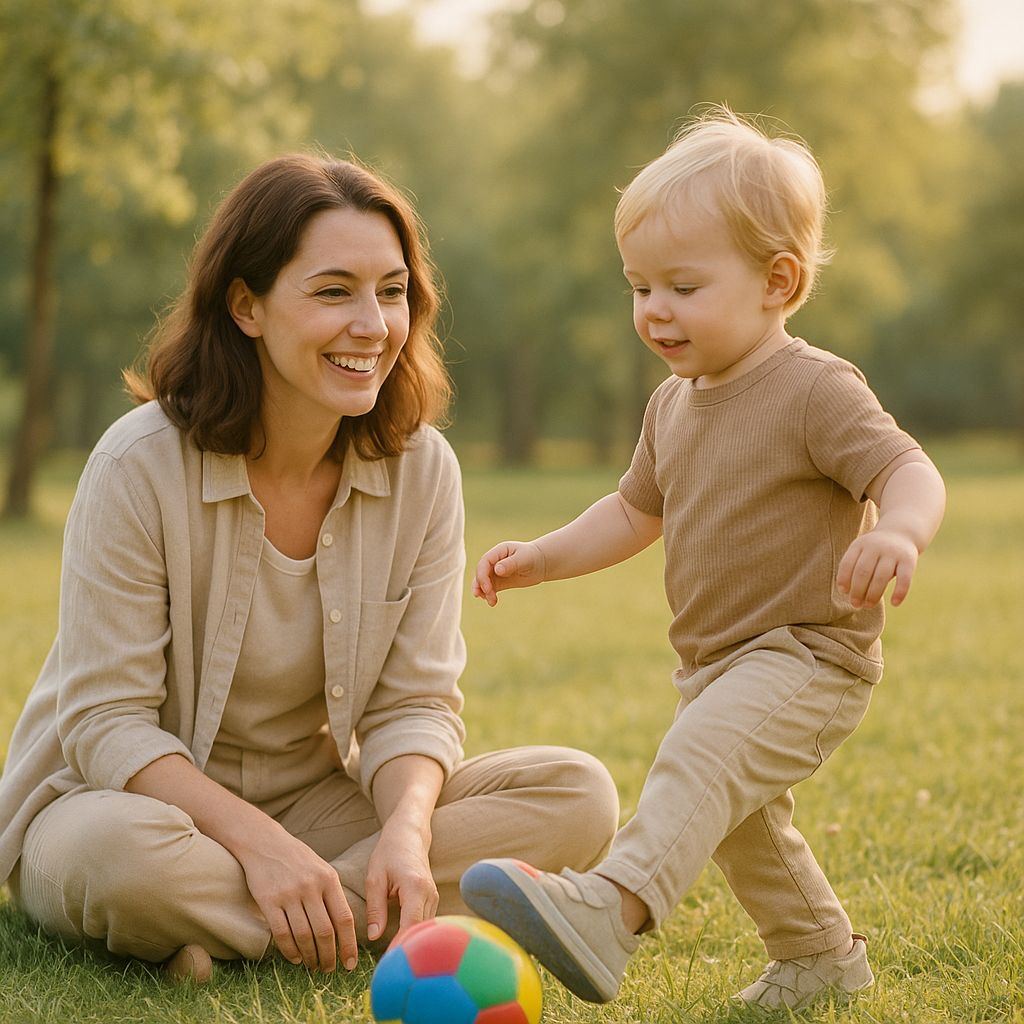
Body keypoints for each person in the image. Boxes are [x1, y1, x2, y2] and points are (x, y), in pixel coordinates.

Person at [0, 153, 619, 983]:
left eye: (392, 291)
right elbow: (106, 724)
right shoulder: (137, 465)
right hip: (126, 809)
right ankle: (337, 911)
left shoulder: (423, 471)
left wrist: (403, 830)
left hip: (316, 804)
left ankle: (242, 927)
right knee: (123, 862)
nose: (373, 325)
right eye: (334, 292)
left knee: (578, 796)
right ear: (247, 305)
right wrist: (257, 847)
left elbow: (414, 704)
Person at [460, 107, 946, 1011]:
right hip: (715, 664)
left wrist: (898, 530)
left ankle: (611, 909)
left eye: (682, 286)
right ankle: (820, 954)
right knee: (738, 825)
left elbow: (907, 466)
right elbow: (632, 512)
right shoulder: (672, 406)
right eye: (639, 287)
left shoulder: (814, 388)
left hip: (810, 654)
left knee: (696, 768)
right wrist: (544, 557)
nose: (654, 310)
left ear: (778, 280)